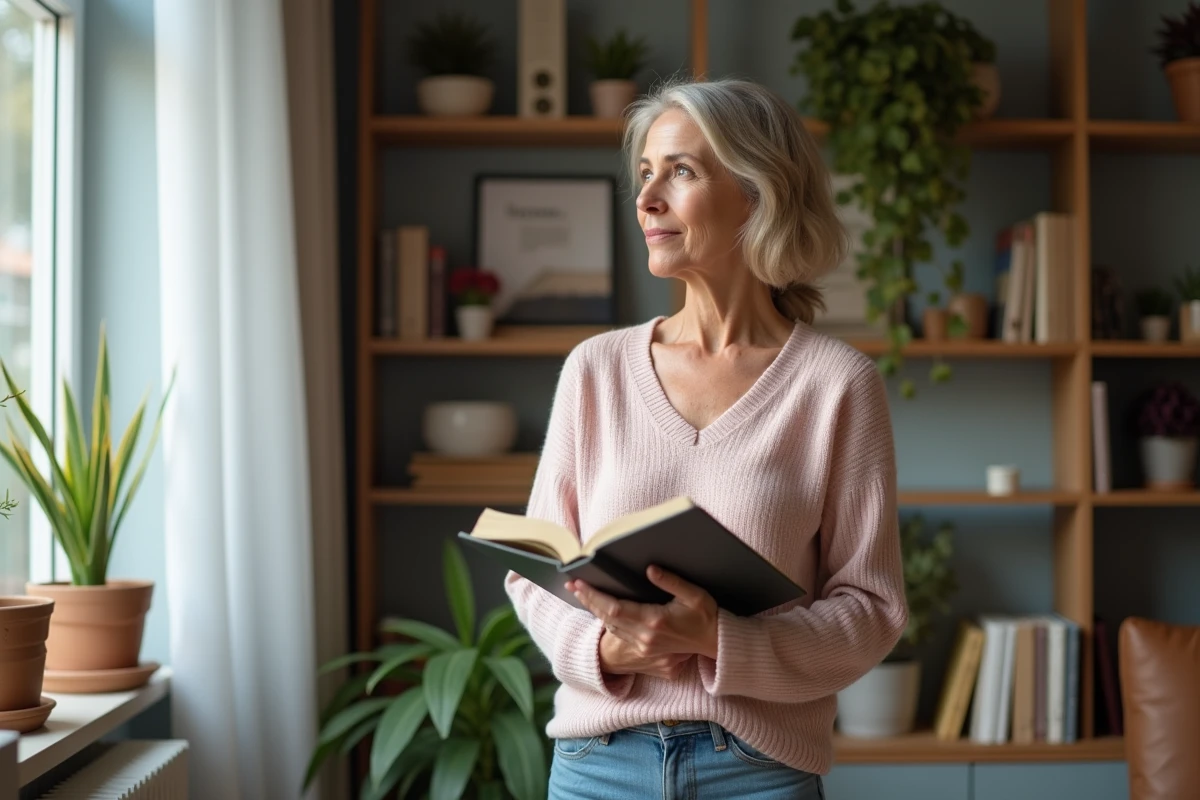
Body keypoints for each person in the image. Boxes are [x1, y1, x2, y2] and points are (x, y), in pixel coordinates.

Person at [504, 77, 908, 800]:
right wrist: (604, 646)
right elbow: (539, 571)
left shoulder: (837, 386)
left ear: (758, 192)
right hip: (597, 766)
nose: (648, 198)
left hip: (756, 771)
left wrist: (720, 641)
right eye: (645, 174)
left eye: (681, 171)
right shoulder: (595, 370)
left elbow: (872, 611)